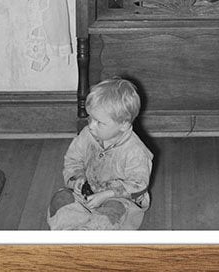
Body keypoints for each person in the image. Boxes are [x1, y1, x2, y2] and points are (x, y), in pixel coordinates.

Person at [46, 77, 152, 231]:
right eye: (91, 118)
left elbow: (138, 185)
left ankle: (90, 234)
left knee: (114, 211)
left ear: (123, 125)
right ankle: (71, 232)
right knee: (61, 197)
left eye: (99, 122)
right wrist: (77, 179)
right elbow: (72, 160)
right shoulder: (87, 135)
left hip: (119, 199)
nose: (91, 126)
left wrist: (107, 194)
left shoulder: (136, 151)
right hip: (86, 195)